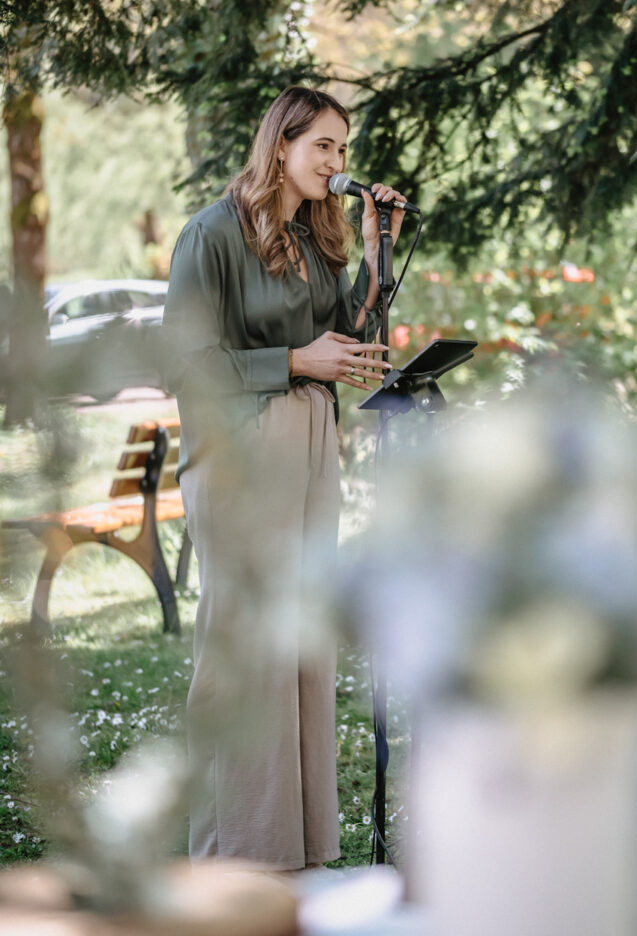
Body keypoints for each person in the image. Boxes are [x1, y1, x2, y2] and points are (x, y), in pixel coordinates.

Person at [162, 86, 406, 871]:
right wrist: (297, 361)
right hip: (241, 453)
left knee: (299, 646)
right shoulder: (211, 235)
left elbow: (354, 336)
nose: (338, 163)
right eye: (323, 147)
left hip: (309, 445)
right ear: (282, 145)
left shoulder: (310, 239)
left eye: (344, 149)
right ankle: (230, 852)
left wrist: (376, 247)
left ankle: (290, 849)